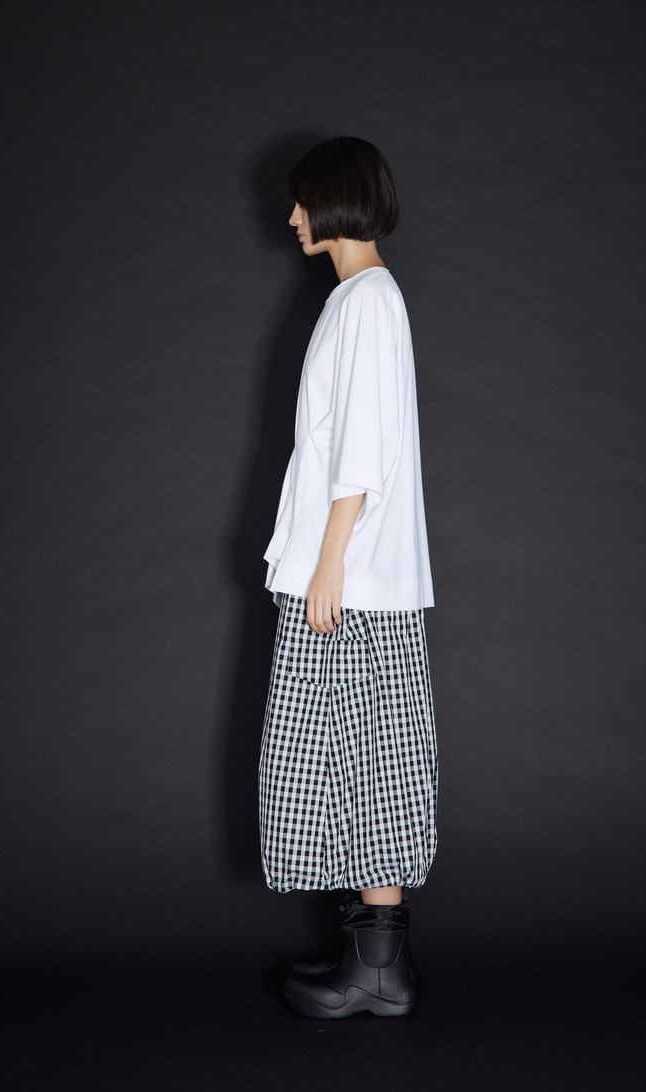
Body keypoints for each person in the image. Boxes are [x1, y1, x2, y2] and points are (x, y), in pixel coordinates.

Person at [259, 136, 438, 1018]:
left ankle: (378, 971)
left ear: (335, 200)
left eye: (303, 202)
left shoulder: (368, 301)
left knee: (369, 759)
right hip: (349, 575)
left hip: (351, 579)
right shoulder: (358, 299)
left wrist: (330, 560)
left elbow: (359, 450)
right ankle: (375, 966)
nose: (292, 216)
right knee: (359, 759)